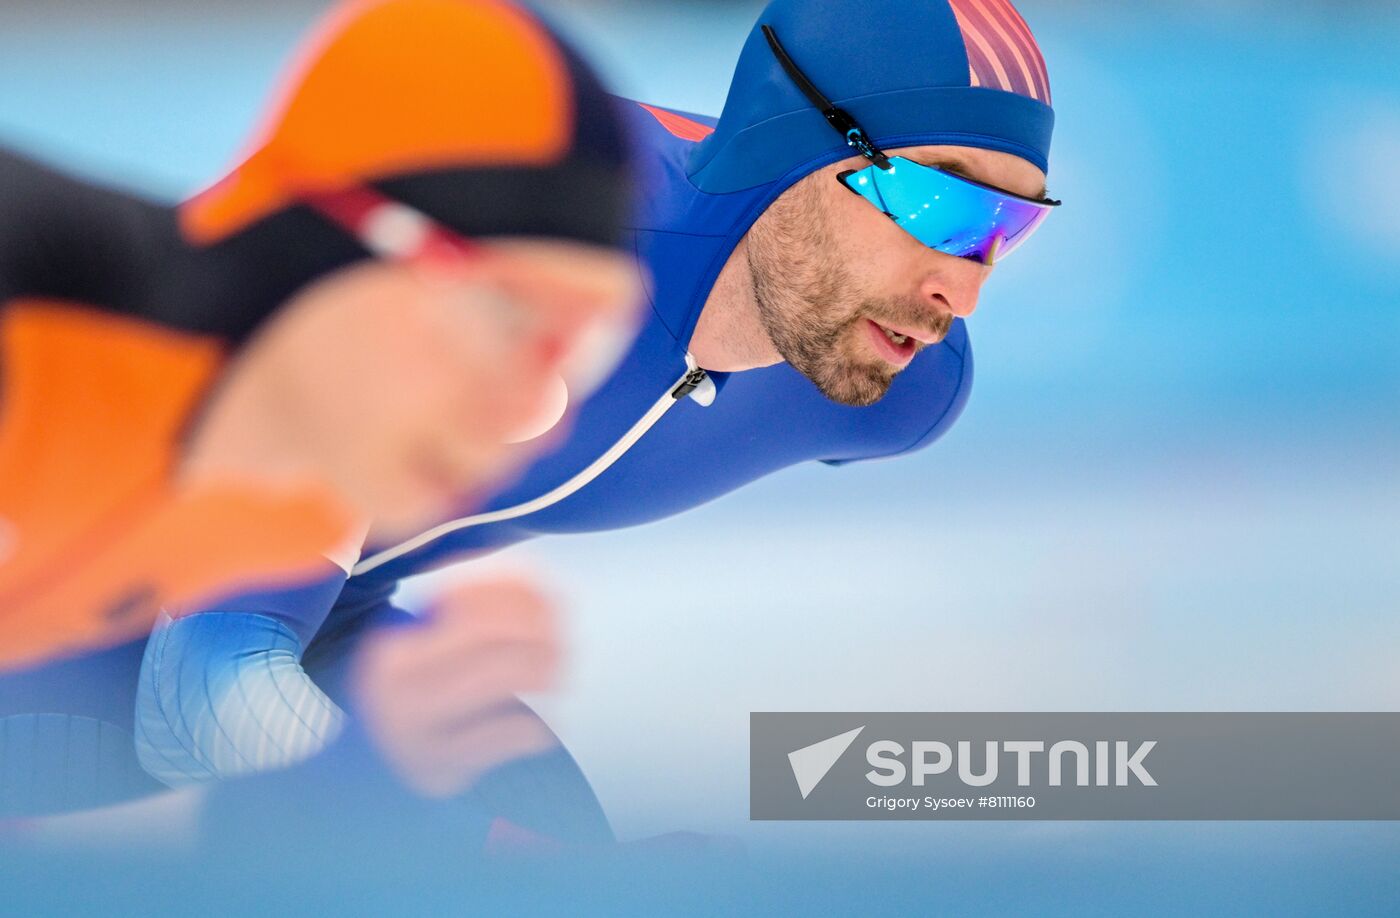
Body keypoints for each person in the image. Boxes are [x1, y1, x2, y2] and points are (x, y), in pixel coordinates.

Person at [21, 0, 1063, 851]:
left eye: (1009, 230)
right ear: (801, 148)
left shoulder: (891, 386)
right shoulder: (515, 230)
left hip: (321, 620)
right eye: (943, 207)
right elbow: (204, 685)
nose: (960, 294)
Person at [0, 0, 638, 816]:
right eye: (508, 316)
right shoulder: (36, 316)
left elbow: (196, 726)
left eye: (584, 343)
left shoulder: (291, 510)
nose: (533, 405)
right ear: (339, 236)